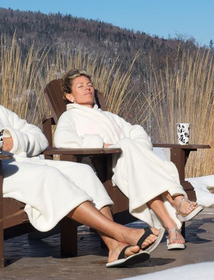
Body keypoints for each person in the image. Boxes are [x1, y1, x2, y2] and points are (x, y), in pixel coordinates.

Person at [0, 60, 163, 268]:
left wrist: (16, 142)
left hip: (18, 167)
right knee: (49, 178)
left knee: (83, 171)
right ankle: (121, 233)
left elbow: (39, 137)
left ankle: (114, 247)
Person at [54, 69, 203, 251]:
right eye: (81, 86)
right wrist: (102, 144)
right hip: (107, 169)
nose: (88, 88)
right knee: (129, 148)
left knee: (133, 156)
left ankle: (171, 228)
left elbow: (136, 131)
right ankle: (175, 199)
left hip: (132, 165)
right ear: (69, 96)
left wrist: (136, 145)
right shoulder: (69, 117)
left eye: (90, 85)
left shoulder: (109, 117)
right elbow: (62, 140)